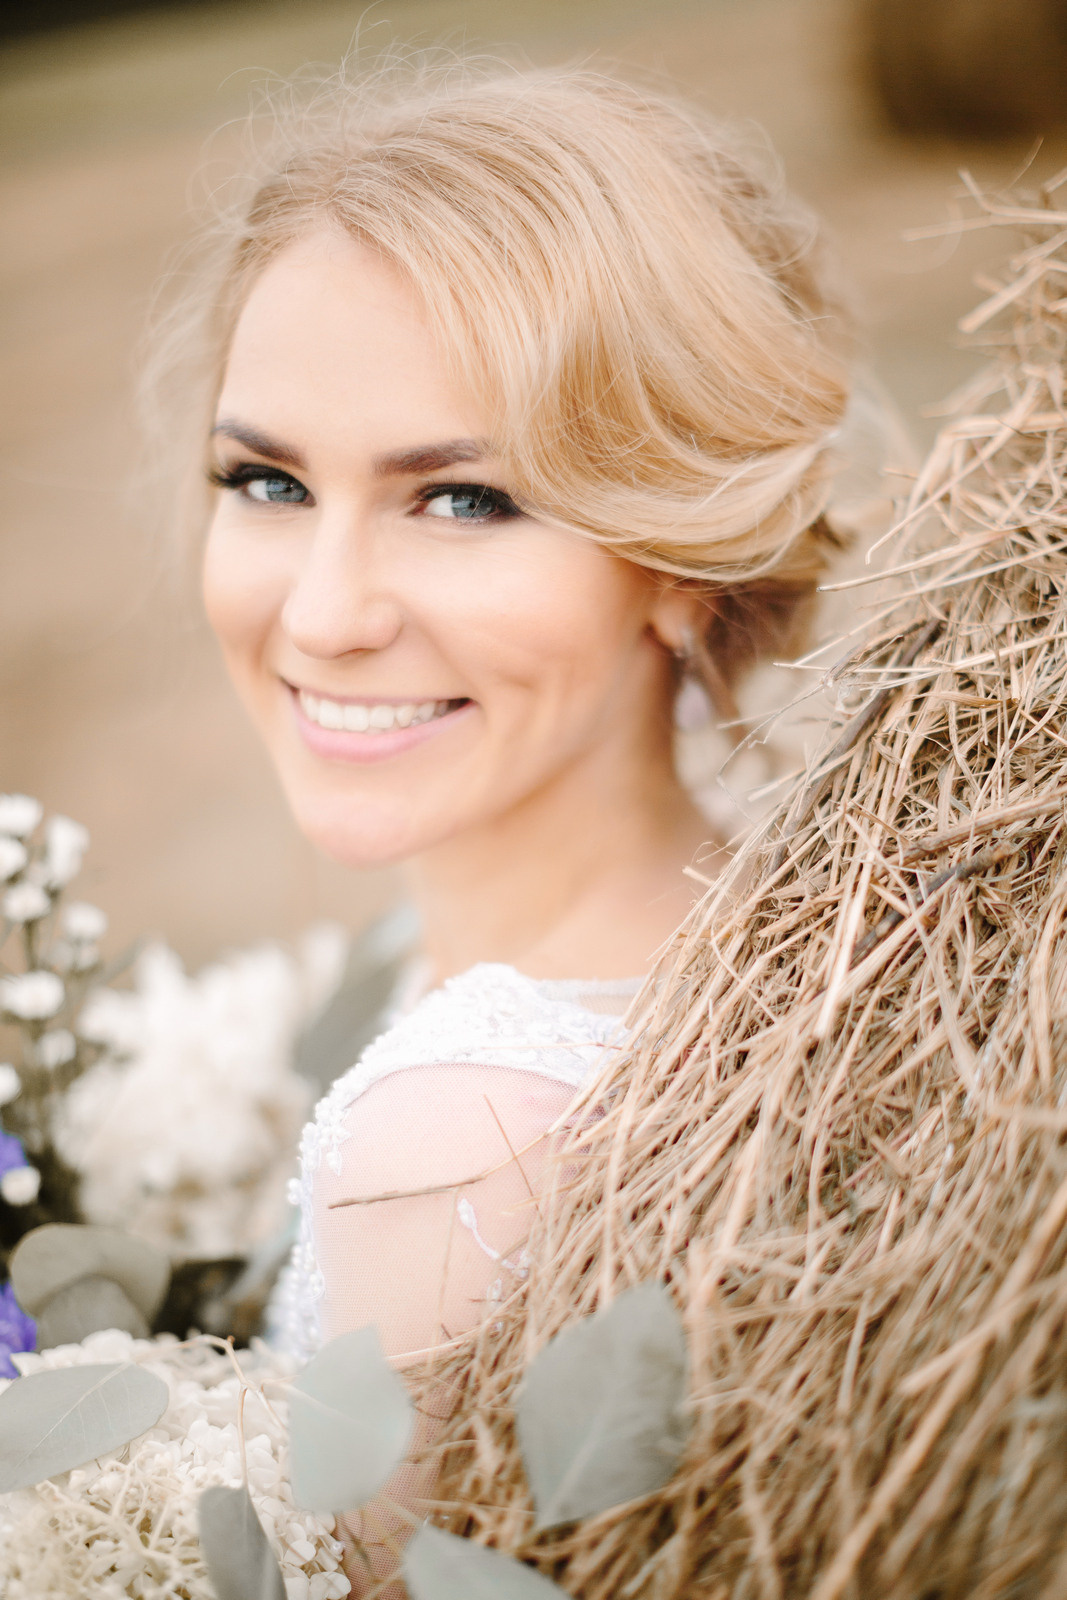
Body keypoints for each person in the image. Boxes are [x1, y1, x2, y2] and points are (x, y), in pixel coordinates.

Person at [177, 57, 854, 1586]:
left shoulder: (451, 1141)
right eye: (266, 478)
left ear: (682, 552)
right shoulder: (751, 889)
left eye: (465, 500)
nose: (327, 613)